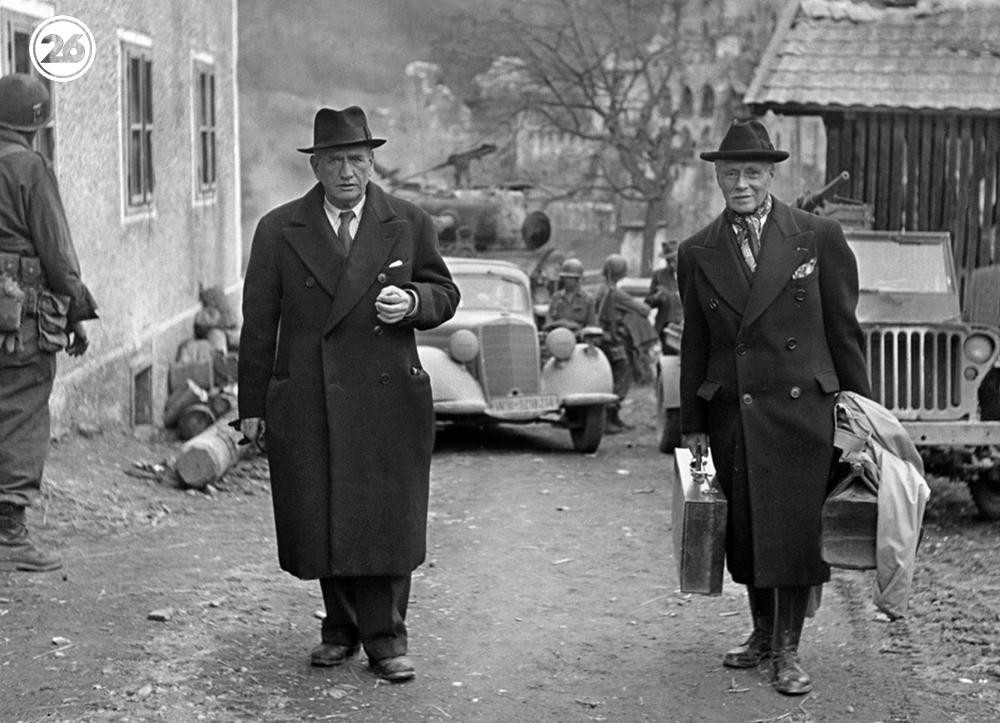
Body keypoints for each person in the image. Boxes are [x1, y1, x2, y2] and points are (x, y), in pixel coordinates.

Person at [237, 106, 459, 683]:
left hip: (387, 396)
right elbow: (259, 325)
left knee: (385, 516)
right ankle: (338, 630)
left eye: (356, 160)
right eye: (333, 161)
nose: (346, 173)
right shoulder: (278, 229)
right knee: (323, 510)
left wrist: (413, 302)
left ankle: (386, 640)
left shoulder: (407, 222)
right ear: (315, 167)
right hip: (310, 394)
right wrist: (253, 407)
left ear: (372, 162)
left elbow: (444, 292)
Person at [676, 118, 871, 695]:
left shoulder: (818, 236)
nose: (741, 184)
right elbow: (695, 343)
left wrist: (860, 413)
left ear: (771, 175)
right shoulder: (697, 251)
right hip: (734, 409)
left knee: (792, 531)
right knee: (746, 530)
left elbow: (843, 329)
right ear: (716, 176)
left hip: (802, 410)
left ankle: (788, 651)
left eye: (752, 173)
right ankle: (761, 634)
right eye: (730, 173)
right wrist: (692, 425)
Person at [0, 74, 97, 572]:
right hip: (18, 318)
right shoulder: (29, 166)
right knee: (21, 410)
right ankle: (10, 535)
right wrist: (76, 312)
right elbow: (57, 253)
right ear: (36, 126)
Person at [594, 254, 654, 433]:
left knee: (611, 377)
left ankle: (613, 418)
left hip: (604, 339)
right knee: (622, 376)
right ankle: (608, 418)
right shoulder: (615, 293)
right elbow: (644, 309)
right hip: (615, 341)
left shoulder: (601, 289)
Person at [644, 239, 682, 348]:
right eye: (668, 261)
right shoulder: (659, 275)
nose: (671, 264)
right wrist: (657, 298)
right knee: (667, 360)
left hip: (686, 326)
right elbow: (648, 302)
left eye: (674, 260)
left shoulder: (692, 274)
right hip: (665, 326)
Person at [543, 257, 596, 332]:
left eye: (571, 278)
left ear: (578, 279)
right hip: (558, 337)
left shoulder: (587, 299)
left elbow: (592, 325)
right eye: (565, 277)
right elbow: (549, 320)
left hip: (579, 338)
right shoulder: (556, 297)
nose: (567, 280)